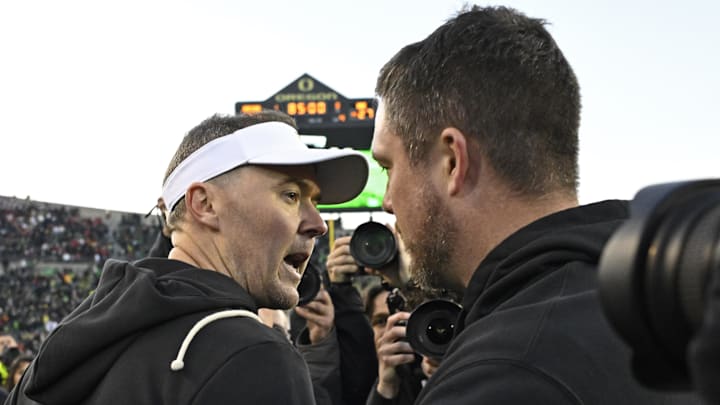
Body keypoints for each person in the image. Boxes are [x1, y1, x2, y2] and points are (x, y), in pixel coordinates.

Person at [371, 5, 700, 404]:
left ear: (452, 162)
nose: (388, 201)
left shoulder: (500, 376)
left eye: (389, 166)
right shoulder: (680, 310)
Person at [6, 111, 369, 404]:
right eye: (291, 195)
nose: (318, 224)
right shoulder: (253, 356)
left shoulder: (71, 342)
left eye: (314, 202)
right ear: (205, 204)